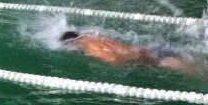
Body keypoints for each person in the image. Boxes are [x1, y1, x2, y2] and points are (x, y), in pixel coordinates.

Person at [59, 31, 195, 72]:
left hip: (150, 58)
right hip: (150, 49)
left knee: (196, 70)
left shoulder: (89, 47)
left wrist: (123, 66)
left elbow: (114, 59)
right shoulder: (92, 37)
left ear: (71, 42)